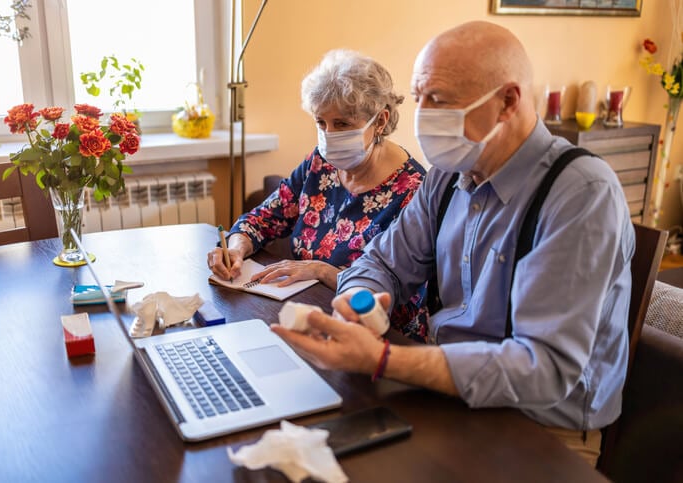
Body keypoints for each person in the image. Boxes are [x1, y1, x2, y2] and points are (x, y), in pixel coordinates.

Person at [271, 21, 634, 467]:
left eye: (437, 100)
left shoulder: (580, 193)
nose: (421, 114)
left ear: (507, 102)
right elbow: (383, 261)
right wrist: (357, 300)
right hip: (444, 394)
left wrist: (384, 359)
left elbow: (544, 369)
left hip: (541, 427)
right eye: (418, 96)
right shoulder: (448, 176)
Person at [207, 49, 428, 340]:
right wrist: (236, 247)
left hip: (378, 338)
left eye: (343, 124)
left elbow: (400, 297)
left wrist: (322, 271)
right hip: (306, 316)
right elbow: (262, 219)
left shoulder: (414, 189)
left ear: (380, 121)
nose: (328, 134)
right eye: (320, 122)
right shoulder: (320, 164)